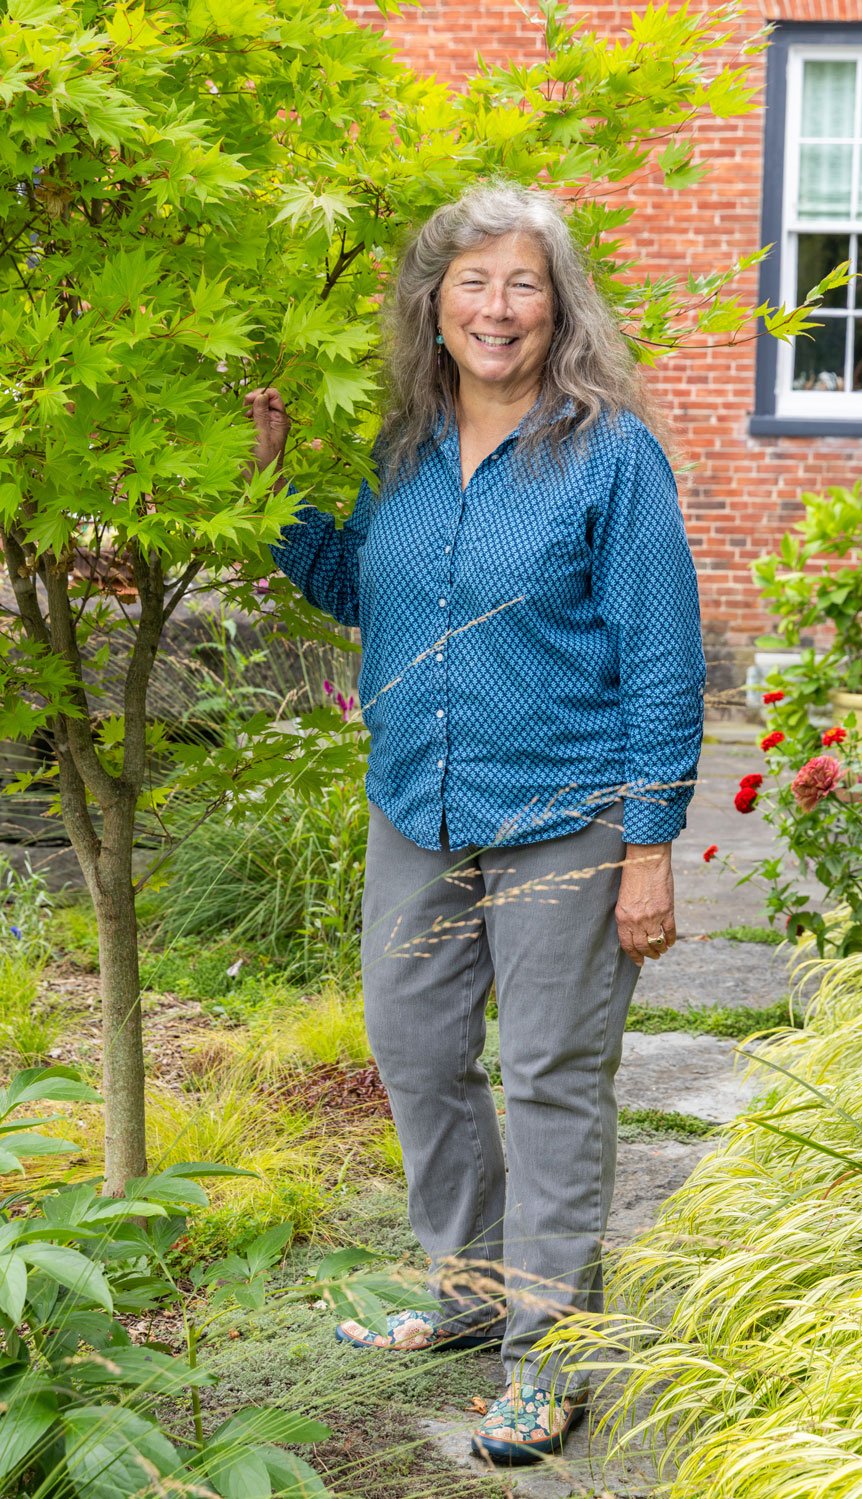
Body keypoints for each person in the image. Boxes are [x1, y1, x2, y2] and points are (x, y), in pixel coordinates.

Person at [245, 181, 705, 1466]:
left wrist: (649, 844)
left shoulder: (608, 454)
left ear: (558, 307)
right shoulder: (402, 446)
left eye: (522, 284)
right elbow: (362, 589)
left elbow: (663, 658)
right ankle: (468, 1287)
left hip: (567, 810)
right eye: (473, 282)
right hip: (420, 799)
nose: (497, 308)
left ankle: (547, 1354)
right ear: (433, 302)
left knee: (552, 1074)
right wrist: (272, 489)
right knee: (414, 1047)